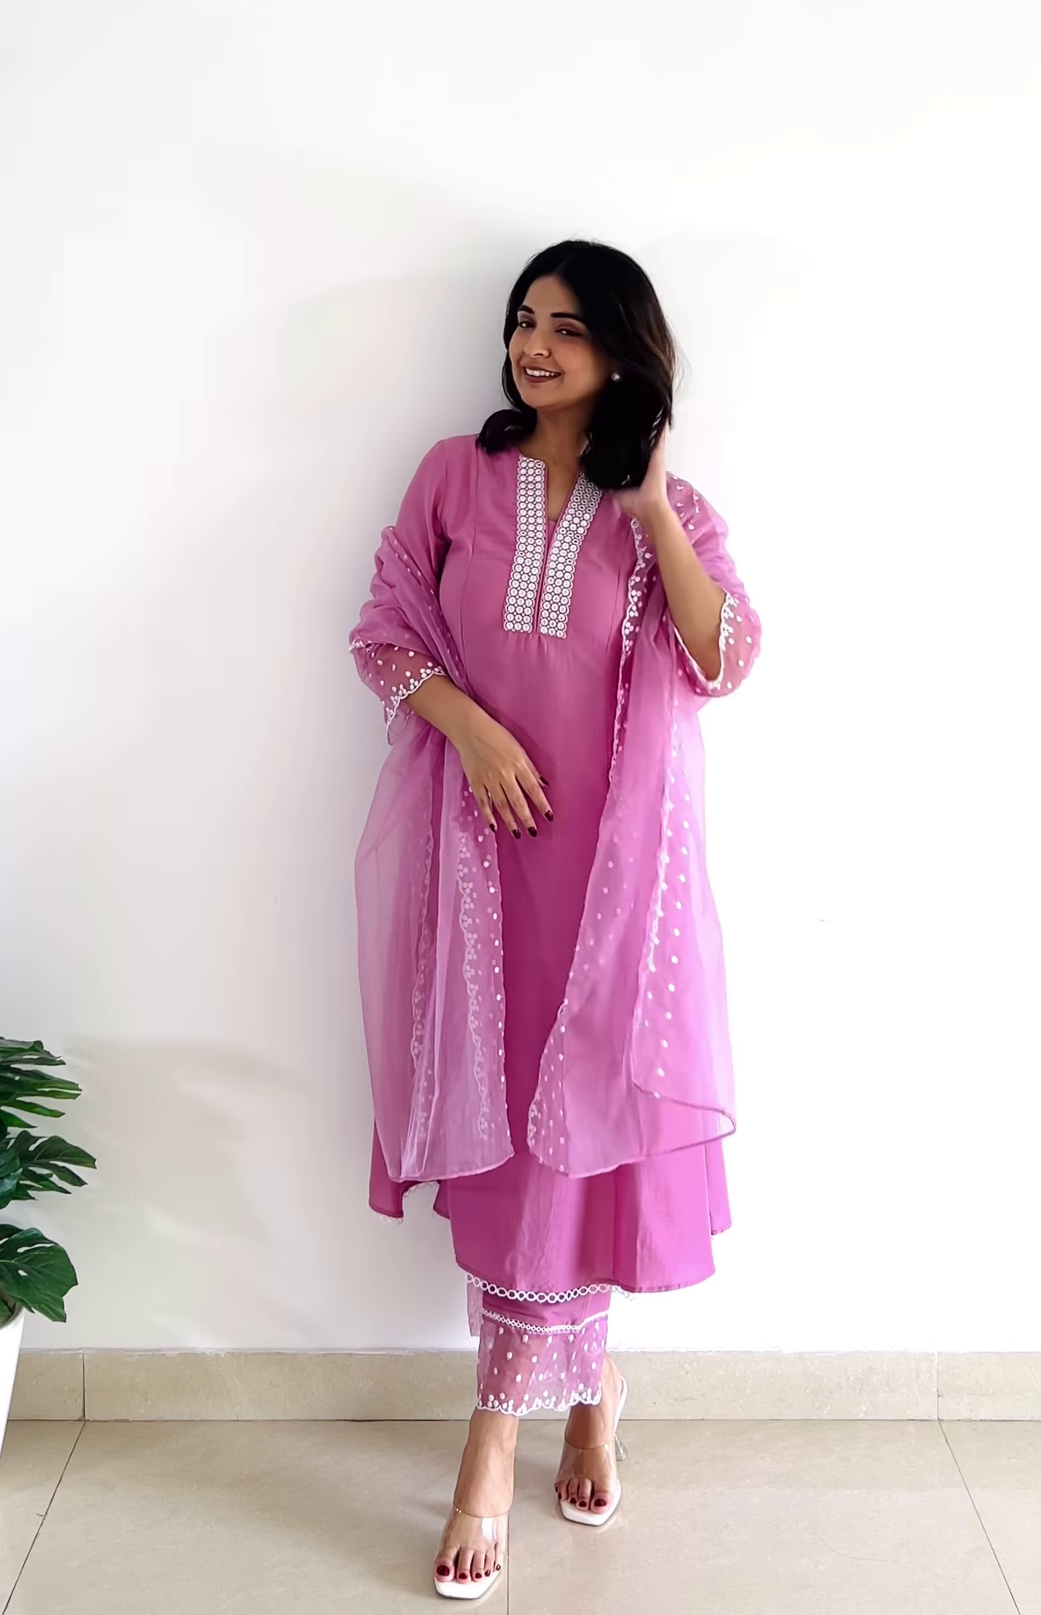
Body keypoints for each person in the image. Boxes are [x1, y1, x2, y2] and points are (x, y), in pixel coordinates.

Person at [348, 239, 762, 1600]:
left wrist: (648, 507)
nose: (534, 346)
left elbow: (723, 658)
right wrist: (470, 731)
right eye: (525, 320)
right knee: (522, 1149)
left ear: (626, 351)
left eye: (569, 327)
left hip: (611, 888)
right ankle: (583, 1400)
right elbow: (385, 632)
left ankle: (500, 1445)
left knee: (578, 1145)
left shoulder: (669, 511)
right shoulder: (455, 476)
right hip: (484, 870)